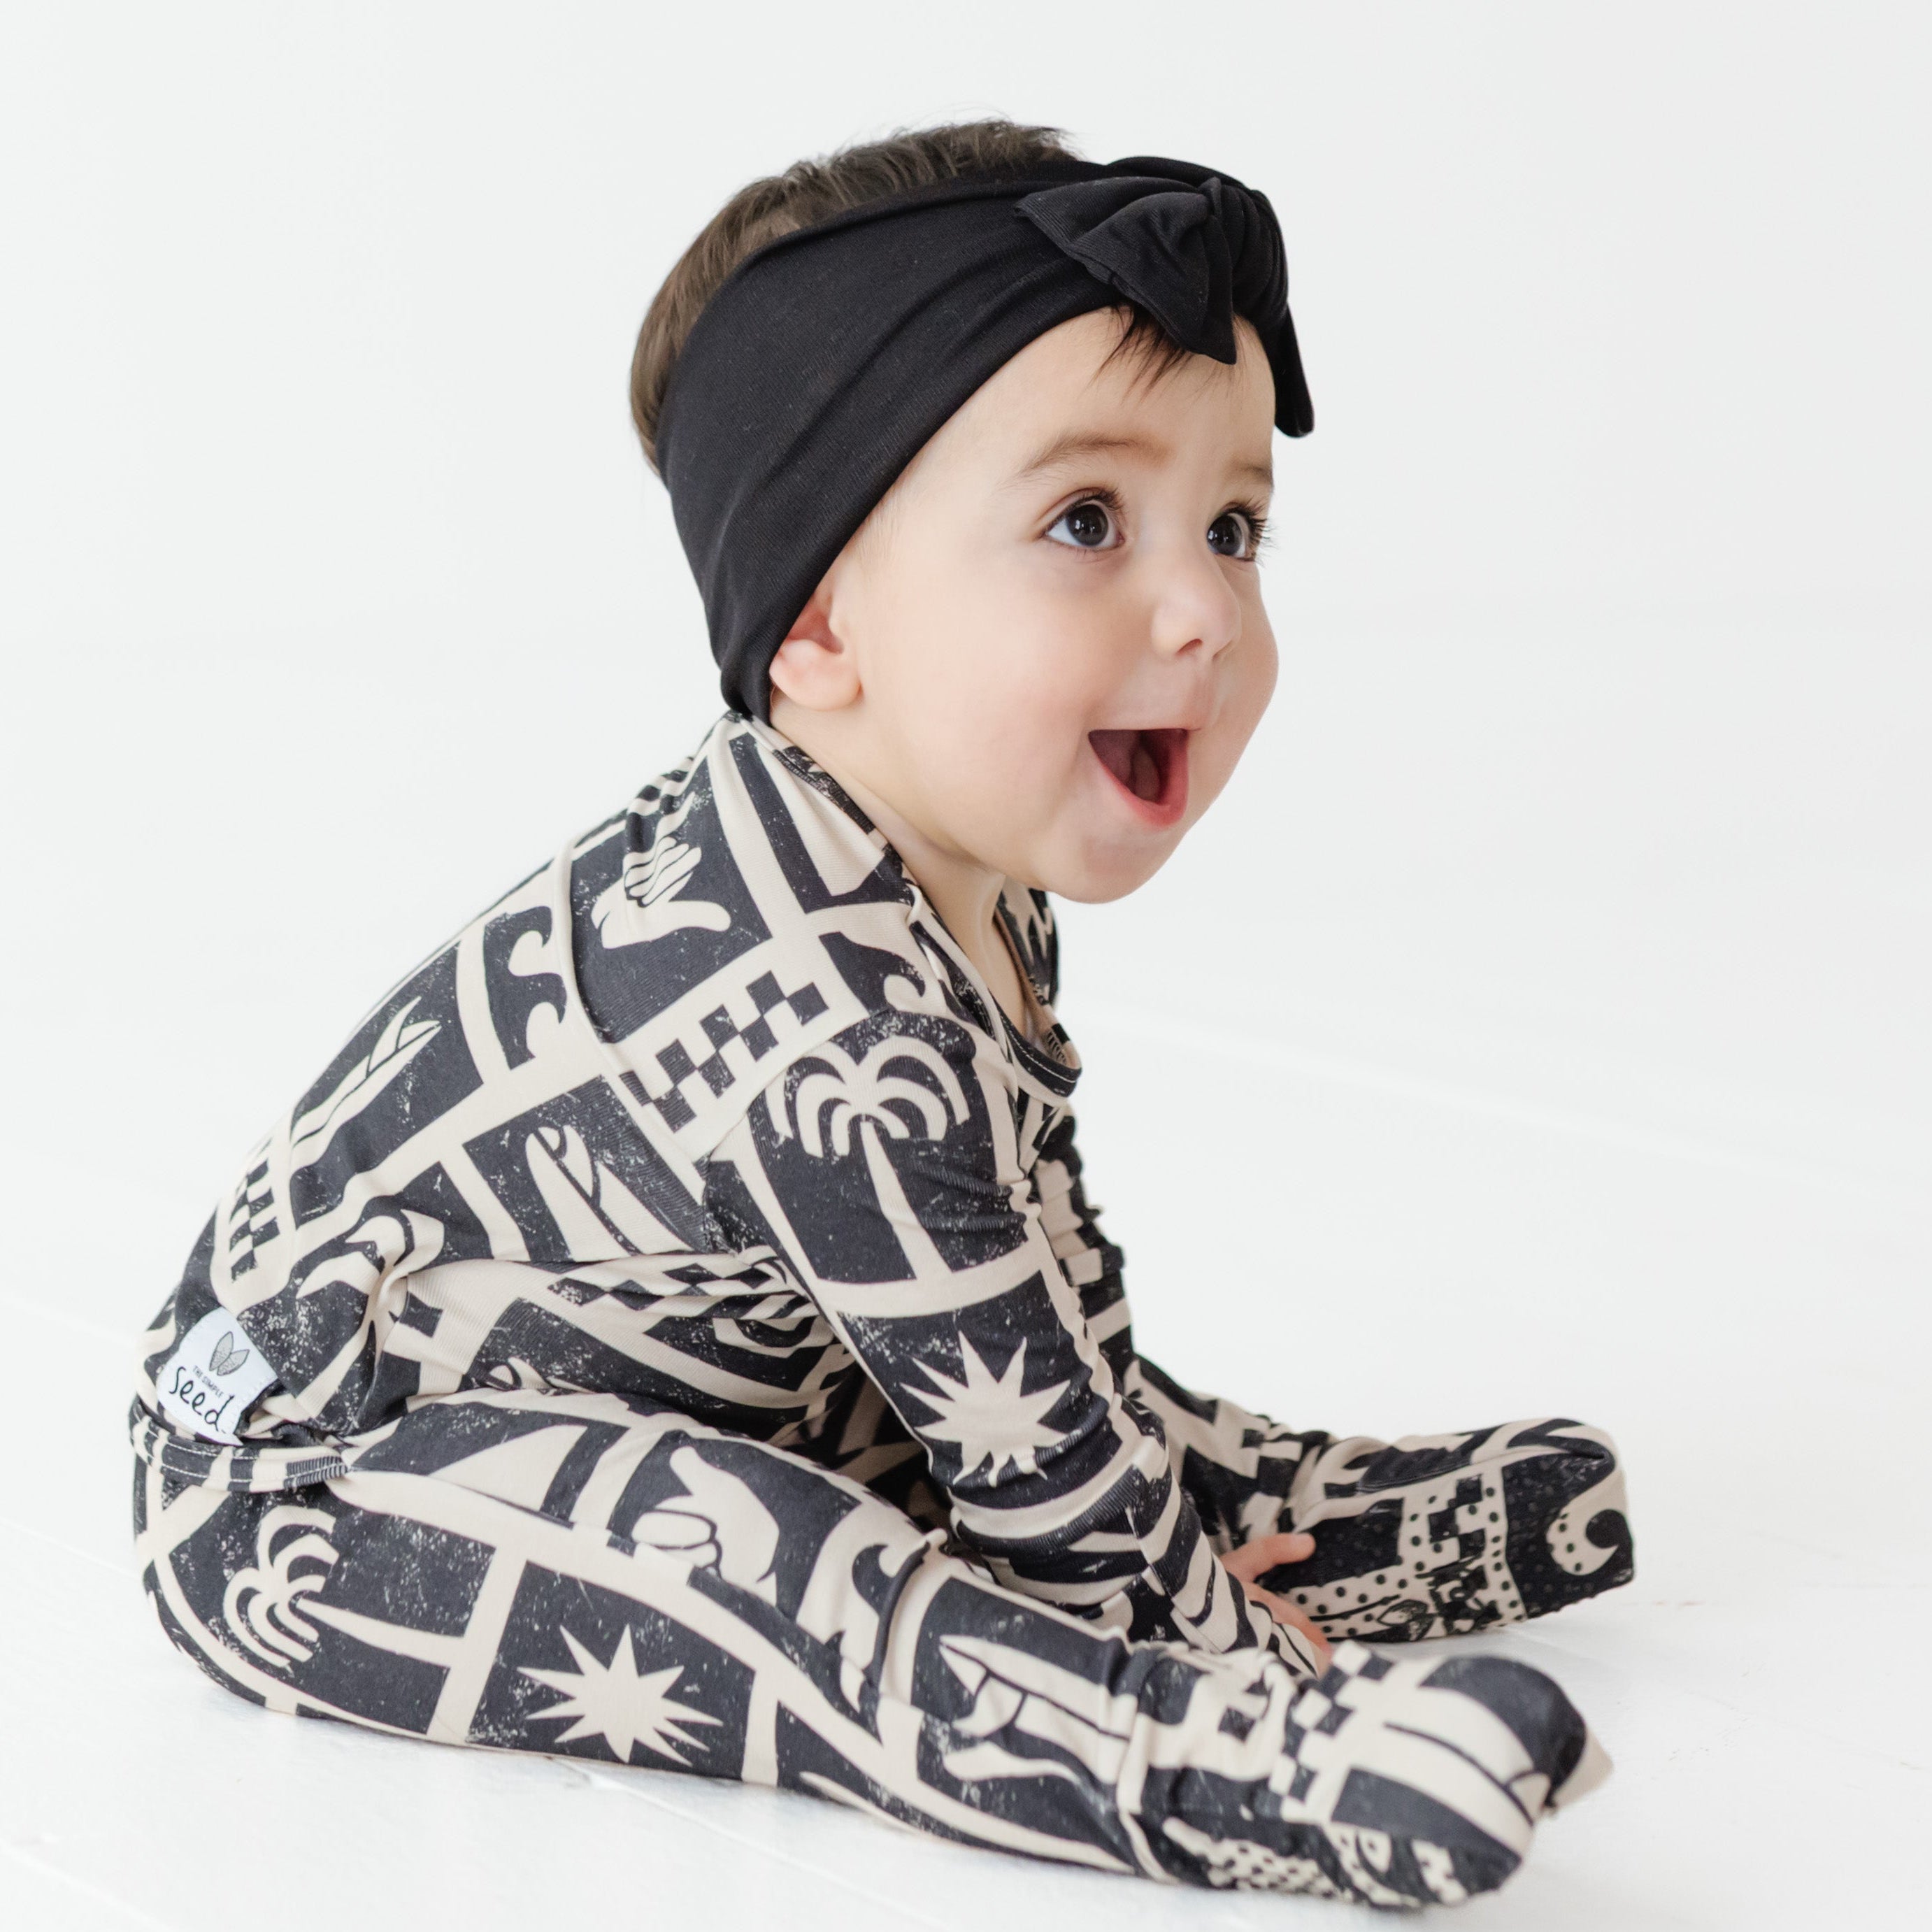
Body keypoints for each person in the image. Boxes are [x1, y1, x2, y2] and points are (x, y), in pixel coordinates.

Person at [131, 120, 1633, 1907]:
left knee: (1010, 1411)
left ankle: (1231, 1494)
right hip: (322, 1470)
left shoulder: (950, 884)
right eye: (1088, 520)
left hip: (713, 1371)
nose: (1204, 608)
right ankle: (1221, 1761)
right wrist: (1175, 1610)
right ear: (820, 625)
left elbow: (1033, 1292)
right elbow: (1014, 1422)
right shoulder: (814, 1003)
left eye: (1232, 526)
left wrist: (1125, 1461)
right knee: (778, 1574)